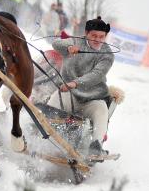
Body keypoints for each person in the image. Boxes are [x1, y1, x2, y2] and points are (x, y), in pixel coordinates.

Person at [47, 16, 114, 156]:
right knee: (53, 102)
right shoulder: (76, 41)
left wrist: (75, 83)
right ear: (86, 33)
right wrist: (69, 47)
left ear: (106, 36)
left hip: (93, 99)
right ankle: (43, 135)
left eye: (102, 36)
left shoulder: (107, 54)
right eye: (94, 35)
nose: (97, 39)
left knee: (102, 110)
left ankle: (96, 147)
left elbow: (96, 75)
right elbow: (56, 43)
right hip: (69, 95)